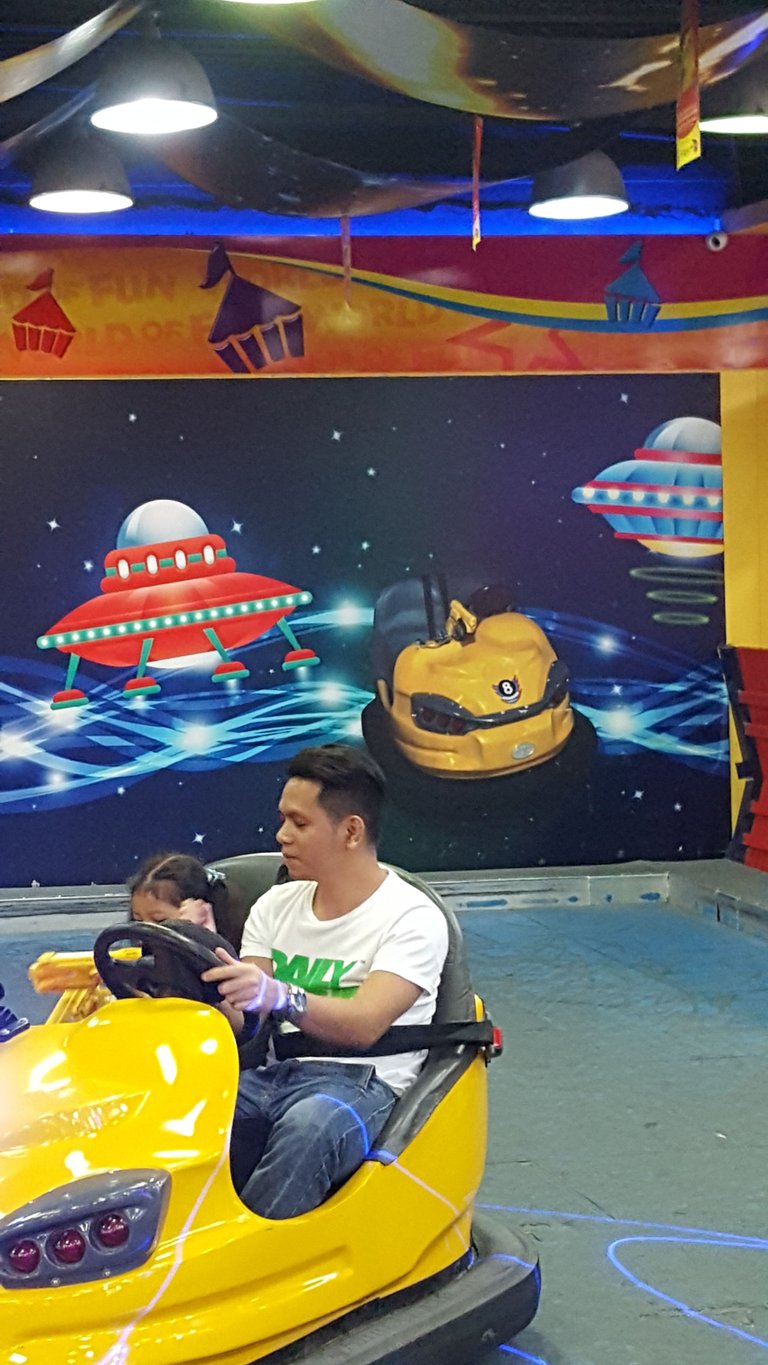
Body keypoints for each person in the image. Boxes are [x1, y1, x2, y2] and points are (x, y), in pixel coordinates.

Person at [202, 743, 449, 1220]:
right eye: (282, 820)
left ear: (351, 831)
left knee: (312, 1127)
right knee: (185, 1115)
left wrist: (279, 994)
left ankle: (258, 1256)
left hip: (366, 1084)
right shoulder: (275, 906)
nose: (282, 836)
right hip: (277, 1075)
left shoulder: (412, 917)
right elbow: (245, 1018)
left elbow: (364, 1024)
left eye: (299, 823)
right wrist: (192, 982)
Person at [128, 852, 249, 954]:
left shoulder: (231, 953)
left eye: (160, 921)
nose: (145, 931)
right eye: (138, 920)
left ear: (201, 911)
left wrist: (193, 933)